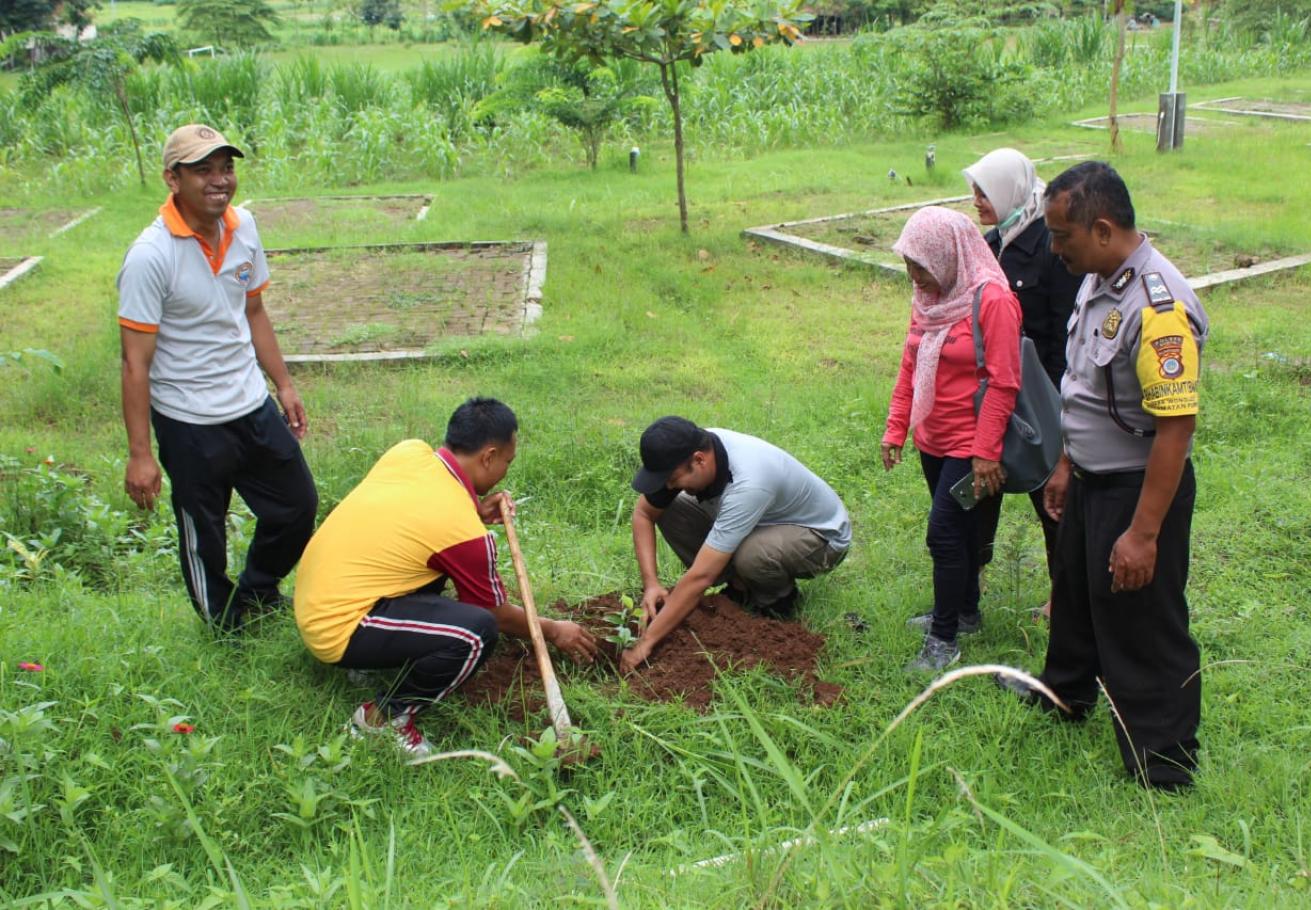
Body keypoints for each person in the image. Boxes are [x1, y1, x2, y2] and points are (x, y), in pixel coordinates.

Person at [998, 161, 1207, 790]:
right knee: (1078, 602)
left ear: (1105, 229)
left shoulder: (1157, 308)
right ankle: (1065, 695)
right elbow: (1083, 386)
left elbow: (1175, 429)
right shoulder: (1098, 276)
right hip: (1091, 478)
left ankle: (1163, 762)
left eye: (1062, 237)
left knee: (1140, 619)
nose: (1053, 248)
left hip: (1136, 488)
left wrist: (1143, 533)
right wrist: (1066, 463)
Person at [292, 397, 598, 757]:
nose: (505, 472)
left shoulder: (410, 453)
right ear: (488, 456)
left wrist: (472, 508)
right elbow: (495, 615)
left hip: (316, 598)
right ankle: (382, 719)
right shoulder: (462, 532)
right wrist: (554, 629)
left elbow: (413, 514)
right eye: (506, 462)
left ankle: (370, 659)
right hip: (336, 628)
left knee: (429, 567)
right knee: (474, 632)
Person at [117, 124, 317, 634]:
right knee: (205, 536)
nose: (219, 180)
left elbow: (253, 312)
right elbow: (135, 363)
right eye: (202, 169)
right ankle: (223, 626)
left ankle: (258, 588)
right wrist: (140, 453)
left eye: (225, 167)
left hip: (249, 403)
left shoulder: (243, 225)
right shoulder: (150, 256)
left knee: (296, 505)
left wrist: (284, 384)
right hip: (188, 420)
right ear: (172, 178)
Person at [881, 206, 1021, 672]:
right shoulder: (929, 299)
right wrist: (896, 428)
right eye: (909, 265)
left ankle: (943, 640)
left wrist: (985, 452)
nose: (913, 277)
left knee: (942, 534)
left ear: (947, 255)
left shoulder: (993, 300)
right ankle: (966, 612)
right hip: (933, 438)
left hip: (970, 443)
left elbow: (1004, 382)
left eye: (920, 265)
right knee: (957, 533)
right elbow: (910, 363)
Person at [620, 417, 851, 674]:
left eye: (673, 478)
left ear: (699, 460)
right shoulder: (693, 450)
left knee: (753, 555)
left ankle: (778, 601)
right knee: (671, 507)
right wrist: (651, 584)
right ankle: (739, 586)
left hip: (821, 537)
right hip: (761, 524)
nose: (670, 486)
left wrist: (647, 641)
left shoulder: (749, 482)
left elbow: (701, 577)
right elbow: (644, 514)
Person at [961, 148, 1085, 622]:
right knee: (980, 488)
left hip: (1039, 392)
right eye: (974, 190)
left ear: (1010, 189)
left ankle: (1062, 597)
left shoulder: (1049, 246)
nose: (976, 200)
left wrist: (1056, 403)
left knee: (1051, 500)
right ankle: (969, 585)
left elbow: (1063, 331)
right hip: (994, 391)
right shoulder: (992, 243)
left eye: (985, 191)